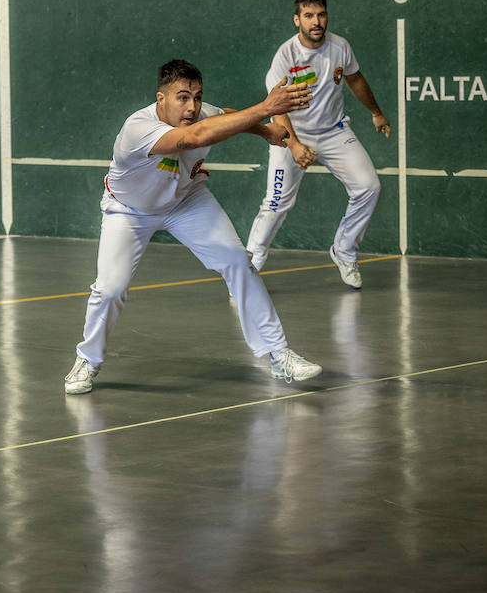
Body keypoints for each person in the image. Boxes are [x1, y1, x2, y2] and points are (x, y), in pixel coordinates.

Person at [64, 59, 324, 395]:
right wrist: (265, 110)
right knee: (109, 289)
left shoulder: (202, 113)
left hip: (185, 200)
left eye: (197, 97)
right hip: (128, 211)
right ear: (161, 99)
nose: (192, 106)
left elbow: (223, 116)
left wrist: (265, 130)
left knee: (236, 260)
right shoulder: (137, 129)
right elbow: (192, 138)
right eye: (182, 98)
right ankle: (87, 359)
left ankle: (278, 354)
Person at [245, 0, 390, 288]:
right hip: (292, 134)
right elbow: (275, 109)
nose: (317, 21)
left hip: (334, 131)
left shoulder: (340, 47)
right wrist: (295, 145)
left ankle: (344, 250)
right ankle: (246, 272)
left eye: (321, 15)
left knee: (368, 187)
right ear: (297, 20)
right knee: (274, 205)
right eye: (309, 16)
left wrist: (376, 112)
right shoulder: (285, 56)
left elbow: (355, 78)